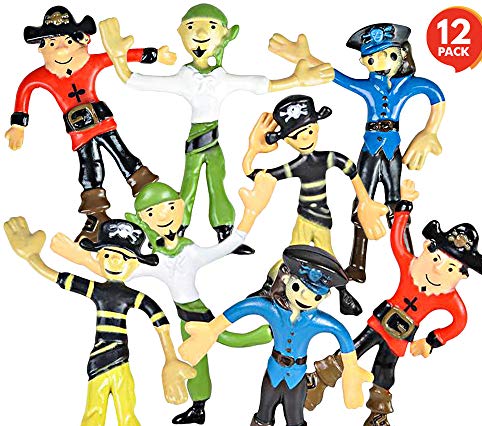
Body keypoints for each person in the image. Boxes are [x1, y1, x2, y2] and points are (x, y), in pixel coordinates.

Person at [98, 4, 335, 254]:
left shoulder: (221, 78)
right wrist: (118, 57)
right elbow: (135, 80)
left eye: (211, 27)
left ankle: (225, 234)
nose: (200, 34)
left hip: (212, 141)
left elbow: (258, 84)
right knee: (189, 186)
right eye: (191, 27)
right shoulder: (185, 77)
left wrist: (297, 80)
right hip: (197, 141)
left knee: (217, 183)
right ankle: (176, 233)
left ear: (224, 35)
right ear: (180, 33)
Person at [51, 172, 276, 425]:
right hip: (183, 316)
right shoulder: (156, 259)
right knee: (196, 357)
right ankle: (199, 406)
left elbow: (226, 246)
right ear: (142, 220)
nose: (162, 216)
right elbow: (118, 271)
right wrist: (81, 258)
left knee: (223, 339)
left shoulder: (191, 252)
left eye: (169, 207)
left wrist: (251, 214)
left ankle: (266, 333)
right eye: (151, 213)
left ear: (180, 206)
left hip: (197, 312)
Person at [4, 217, 196, 426]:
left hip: (119, 364)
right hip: (99, 364)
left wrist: (170, 358)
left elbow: (160, 320)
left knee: (125, 411)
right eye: (108, 254)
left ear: (135, 263)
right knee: (95, 411)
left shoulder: (133, 297)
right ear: (99, 256)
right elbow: (58, 278)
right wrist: (31, 257)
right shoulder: (98, 290)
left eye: (124, 257)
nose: (115, 261)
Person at [304, 183, 482, 426]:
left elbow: (459, 321)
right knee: (352, 350)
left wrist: (431, 341)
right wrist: (403, 209)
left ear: (461, 276)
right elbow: (397, 241)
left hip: (401, 338)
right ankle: (317, 382)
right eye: (436, 259)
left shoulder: (448, 298)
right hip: (380, 322)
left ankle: (376, 420)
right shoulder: (410, 266)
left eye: (450, 268)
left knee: (385, 372)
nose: (438, 270)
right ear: (427, 249)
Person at [179, 245, 373, 426]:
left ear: (323, 297)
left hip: (296, 381)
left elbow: (343, 337)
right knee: (261, 422)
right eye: (299, 288)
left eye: (315, 296)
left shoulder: (317, 321)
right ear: (288, 280)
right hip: (272, 376)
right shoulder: (272, 309)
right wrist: (211, 330)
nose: (305, 298)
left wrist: (351, 371)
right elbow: (244, 307)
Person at [269, 24, 446, 282]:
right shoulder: (368, 88)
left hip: (392, 150)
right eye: (372, 59)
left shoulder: (407, 86)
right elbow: (334, 75)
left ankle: (409, 262)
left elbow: (435, 94)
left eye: (389, 55)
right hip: (369, 151)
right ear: (364, 62)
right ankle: (357, 262)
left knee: (397, 203)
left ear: (402, 54)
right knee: (362, 202)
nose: (380, 64)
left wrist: (429, 132)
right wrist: (305, 58)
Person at [6, 6, 172, 241]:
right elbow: (25, 88)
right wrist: (18, 125)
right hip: (80, 132)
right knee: (90, 168)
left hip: (102, 122)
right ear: (42, 48)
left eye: (67, 41)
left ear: (82, 41)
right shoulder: (43, 76)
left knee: (123, 155)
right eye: (52, 43)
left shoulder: (91, 63)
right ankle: (96, 217)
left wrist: (154, 55)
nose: (61, 49)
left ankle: (149, 192)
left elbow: (118, 56)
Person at [243, 94, 388, 315]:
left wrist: (365, 201)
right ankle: (270, 288)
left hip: (322, 219)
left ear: (317, 128)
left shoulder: (326, 158)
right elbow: (257, 175)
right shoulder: (296, 165)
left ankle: (342, 294)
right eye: (296, 136)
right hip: (305, 217)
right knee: (293, 256)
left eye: (310, 131)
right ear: (288, 141)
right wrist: (252, 150)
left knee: (326, 257)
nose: (305, 138)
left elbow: (351, 169)